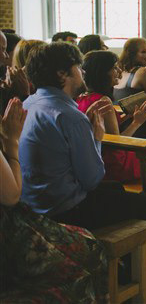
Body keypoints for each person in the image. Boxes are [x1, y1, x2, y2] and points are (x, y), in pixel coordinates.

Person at [18, 42, 146, 279]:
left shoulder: (29, 104)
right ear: (62, 74)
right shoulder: (69, 116)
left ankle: (124, 260)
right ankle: (138, 271)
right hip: (64, 209)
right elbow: (92, 179)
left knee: (116, 190)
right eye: (78, 67)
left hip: (33, 203)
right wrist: (97, 138)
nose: (83, 73)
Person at [0, 97, 108, 302]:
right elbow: (11, 195)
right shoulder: (68, 115)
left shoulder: (30, 103)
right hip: (11, 235)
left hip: (36, 208)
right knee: (88, 251)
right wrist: (11, 142)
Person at [76, 50, 146, 181]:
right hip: (112, 164)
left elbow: (104, 130)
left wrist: (126, 117)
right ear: (101, 73)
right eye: (114, 67)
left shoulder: (81, 97)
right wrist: (137, 122)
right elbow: (116, 143)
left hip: (93, 158)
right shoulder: (103, 100)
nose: (119, 70)